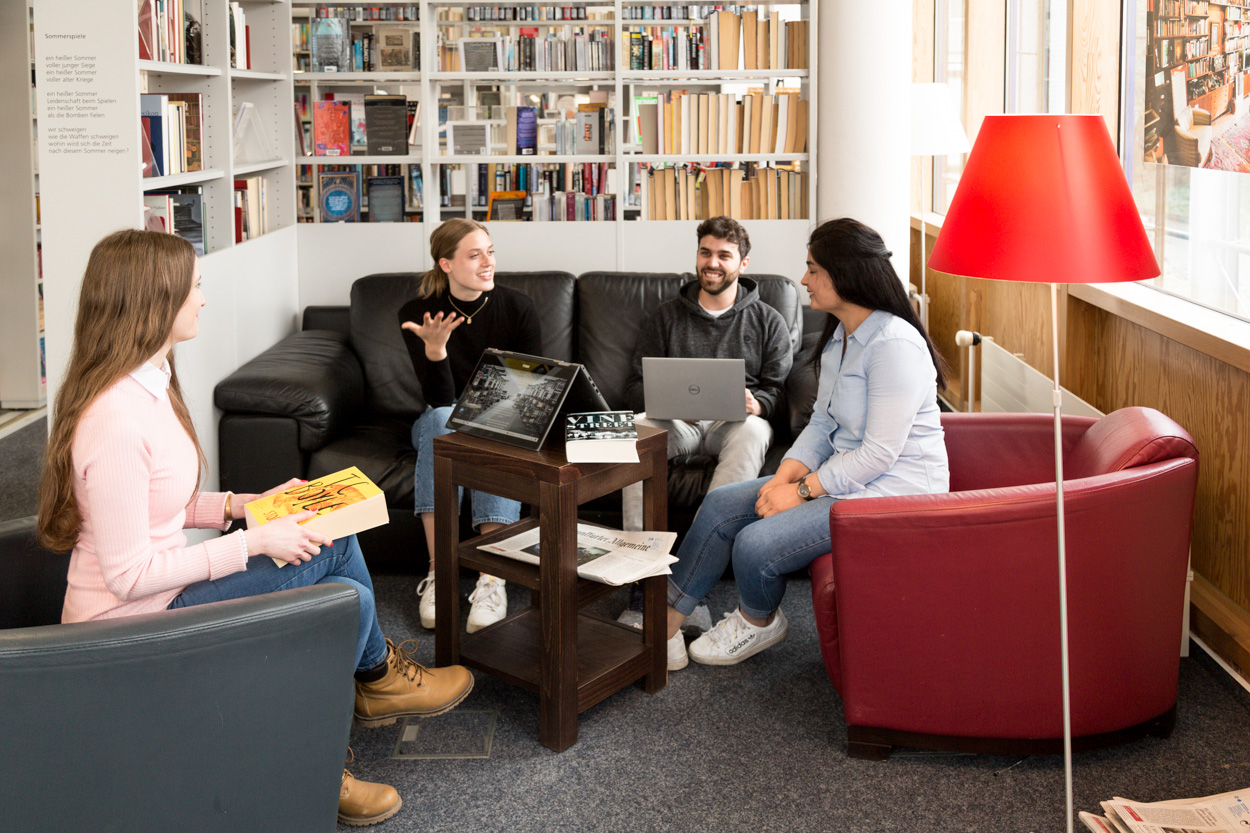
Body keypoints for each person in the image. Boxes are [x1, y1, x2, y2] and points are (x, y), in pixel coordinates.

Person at [38, 229, 474, 828]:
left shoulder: (148, 383)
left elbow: (162, 505)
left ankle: (369, 684)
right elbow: (129, 574)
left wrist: (245, 505)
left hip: (159, 597)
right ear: (153, 302)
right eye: (194, 289)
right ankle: (334, 731)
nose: (202, 300)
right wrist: (252, 543)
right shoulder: (115, 417)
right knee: (326, 553)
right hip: (130, 625)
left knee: (325, 530)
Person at [662, 218, 951, 671]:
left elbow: (879, 455)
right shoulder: (841, 336)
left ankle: (758, 622)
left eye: (813, 269)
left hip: (894, 492)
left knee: (756, 544)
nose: (804, 280)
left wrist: (798, 494)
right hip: (848, 478)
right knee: (721, 504)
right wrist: (779, 480)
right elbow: (821, 423)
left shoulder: (894, 344)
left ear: (846, 274)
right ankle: (666, 622)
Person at [618, 216, 793, 630]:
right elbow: (633, 385)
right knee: (636, 431)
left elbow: (781, 391)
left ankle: (692, 582)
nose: (712, 263)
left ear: (743, 264)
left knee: (753, 433)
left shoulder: (768, 320)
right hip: (676, 421)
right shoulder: (666, 316)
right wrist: (665, 399)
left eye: (723, 256)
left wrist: (759, 403)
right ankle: (641, 582)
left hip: (735, 423)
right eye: (705, 253)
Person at [398, 218, 543, 633]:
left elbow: (532, 390)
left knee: (495, 427)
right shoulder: (418, 313)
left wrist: (491, 415)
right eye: (475, 254)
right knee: (445, 418)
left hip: (504, 421)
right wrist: (437, 351)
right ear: (446, 264)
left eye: (491, 252)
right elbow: (440, 400)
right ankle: (440, 573)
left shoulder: (518, 308)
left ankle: (492, 577)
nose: (488, 263)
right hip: (441, 422)